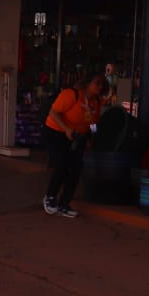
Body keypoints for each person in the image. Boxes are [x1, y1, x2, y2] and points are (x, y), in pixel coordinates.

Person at [42, 73, 109, 218]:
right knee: (62, 165)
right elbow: (53, 112)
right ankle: (50, 197)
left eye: (102, 84)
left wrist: (92, 136)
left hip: (78, 136)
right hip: (57, 132)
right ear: (88, 83)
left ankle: (64, 204)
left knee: (76, 169)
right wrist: (66, 129)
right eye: (97, 83)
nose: (100, 87)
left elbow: (93, 122)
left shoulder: (96, 102)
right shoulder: (71, 95)